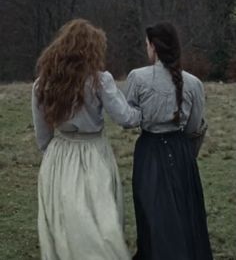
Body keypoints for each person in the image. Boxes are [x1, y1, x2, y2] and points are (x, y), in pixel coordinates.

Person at [32, 19, 141, 260]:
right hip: (93, 153)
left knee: (64, 218)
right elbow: (125, 117)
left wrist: (53, 155)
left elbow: (42, 135)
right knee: (99, 218)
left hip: (58, 154)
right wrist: (144, 113)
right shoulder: (99, 80)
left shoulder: (43, 83)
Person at [125, 22, 213, 260]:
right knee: (185, 212)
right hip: (181, 151)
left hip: (149, 151)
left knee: (151, 211)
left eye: (146, 45)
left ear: (153, 46)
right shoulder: (194, 83)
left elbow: (128, 117)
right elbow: (195, 126)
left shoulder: (137, 78)